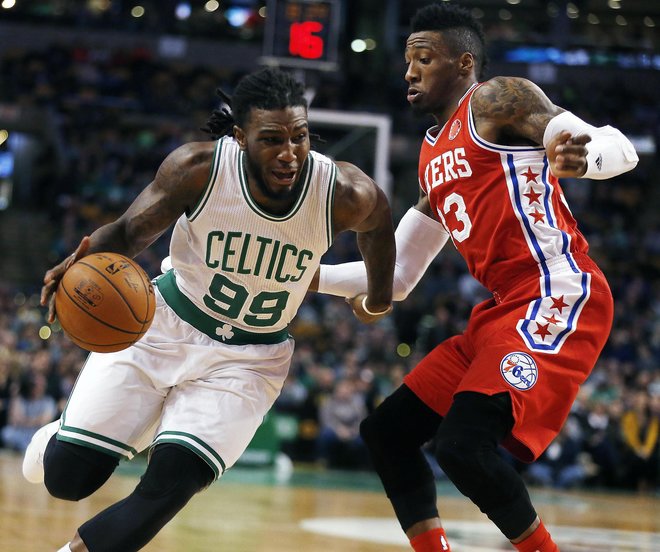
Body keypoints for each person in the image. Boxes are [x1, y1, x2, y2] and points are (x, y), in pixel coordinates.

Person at [22, 67, 395, 552]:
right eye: (272, 139)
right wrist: (78, 260)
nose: (290, 153)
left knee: (171, 485)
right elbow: (130, 231)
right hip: (163, 326)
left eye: (300, 137)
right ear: (239, 137)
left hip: (248, 359)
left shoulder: (342, 192)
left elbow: (380, 222)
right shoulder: (198, 168)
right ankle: (70, 431)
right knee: (66, 482)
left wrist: (379, 296)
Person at [311, 3, 638, 551]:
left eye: (424, 58)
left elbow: (618, 147)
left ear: (464, 64)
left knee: (463, 447)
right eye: (407, 60)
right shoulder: (430, 155)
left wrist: (586, 159)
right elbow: (396, 276)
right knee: (386, 433)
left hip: (557, 289)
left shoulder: (495, 99)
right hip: (500, 310)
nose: (409, 72)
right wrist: (295, 276)